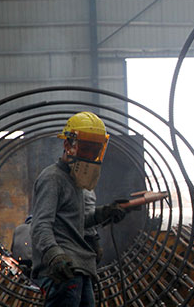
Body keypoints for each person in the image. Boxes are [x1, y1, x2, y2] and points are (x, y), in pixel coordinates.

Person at [30, 112, 128, 306]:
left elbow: (76, 222)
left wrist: (103, 213)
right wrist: (54, 254)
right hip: (63, 270)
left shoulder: (74, 181)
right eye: (86, 149)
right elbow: (40, 225)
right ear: (68, 145)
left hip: (78, 267)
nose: (90, 156)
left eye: (95, 150)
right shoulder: (53, 178)